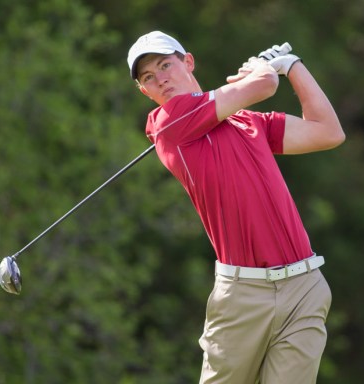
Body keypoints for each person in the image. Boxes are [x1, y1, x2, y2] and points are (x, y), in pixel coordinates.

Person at [126, 31, 345, 383]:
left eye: (166, 65)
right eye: (149, 77)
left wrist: (293, 66)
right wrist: (263, 69)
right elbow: (262, 86)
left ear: (188, 62)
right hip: (243, 296)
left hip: (304, 286)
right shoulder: (168, 125)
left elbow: (327, 132)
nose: (161, 79)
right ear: (145, 92)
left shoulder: (248, 122)